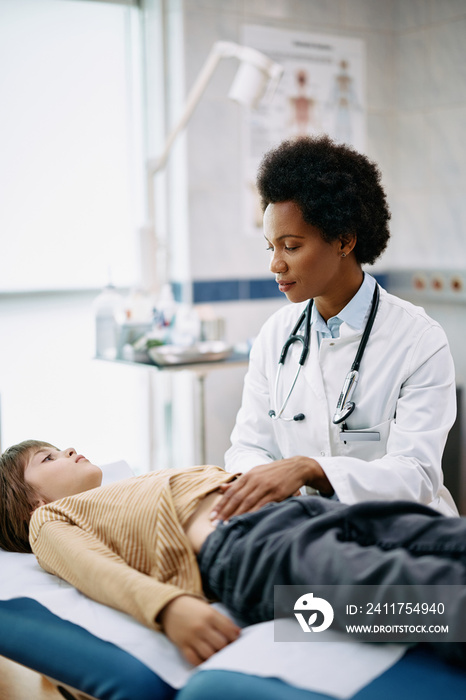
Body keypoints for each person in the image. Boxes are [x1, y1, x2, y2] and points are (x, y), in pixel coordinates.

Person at [1, 440, 465, 668]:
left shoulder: (127, 488)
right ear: (32, 504)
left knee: (438, 535)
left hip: (307, 511)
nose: (69, 449)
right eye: (48, 459)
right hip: (249, 554)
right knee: (394, 593)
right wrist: (167, 608)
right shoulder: (52, 520)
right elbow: (92, 570)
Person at [215, 135, 457, 525]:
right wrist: (265, 481)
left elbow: (418, 474)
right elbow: (247, 447)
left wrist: (313, 470)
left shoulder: (419, 340)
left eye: (291, 246)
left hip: (401, 536)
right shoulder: (276, 336)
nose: (276, 264)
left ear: (344, 240)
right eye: (270, 248)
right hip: (307, 529)